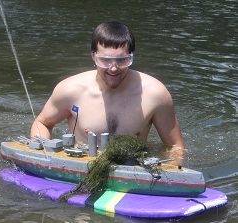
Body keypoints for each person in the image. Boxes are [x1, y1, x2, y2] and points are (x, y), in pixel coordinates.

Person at [31, 21, 185, 160]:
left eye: (122, 60)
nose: (113, 68)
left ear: (132, 56)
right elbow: (43, 123)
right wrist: (41, 155)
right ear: (93, 56)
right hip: (83, 165)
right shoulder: (70, 90)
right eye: (104, 60)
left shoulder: (155, 94)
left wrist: (169, 172)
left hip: (133, 168)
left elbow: (175, 147)